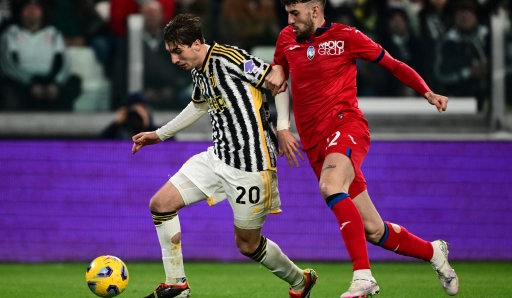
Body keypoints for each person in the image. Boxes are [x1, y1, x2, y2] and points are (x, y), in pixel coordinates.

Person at [266, 1, 459, 297]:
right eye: (288, 13)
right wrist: (282, 124)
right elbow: (279, 76)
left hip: (346, 126)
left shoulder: (347, 36)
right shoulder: (286, 38)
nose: (289, 20)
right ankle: (434, 252)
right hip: (314, 142)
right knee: (372, 229)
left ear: (315, 9)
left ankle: (363, 277)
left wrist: (426, 91)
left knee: (330, 186)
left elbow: (392, 64)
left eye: (295, 13)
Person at [131, 14, 317, 298]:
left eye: (177, 52)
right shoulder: (198, 70)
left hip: (252, 167)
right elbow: (198, 106)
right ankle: (176, 286)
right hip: (217, 158)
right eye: (170, 53)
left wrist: (282, 128)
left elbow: (278, 79)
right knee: (160, 204)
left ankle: (300, 281)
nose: (174, 60)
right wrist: (159, 134)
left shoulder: (230, 58)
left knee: (247, 245)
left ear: (196, 44)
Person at [0, 0, 81, 111]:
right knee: (7, 87)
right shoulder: (11, 33)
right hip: (21, 82)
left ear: (42, 12)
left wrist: (56, 83)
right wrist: (30, 84)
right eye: (28, 8)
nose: (32, 10)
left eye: (36, 8)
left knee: (74, 82)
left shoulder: (54, 33)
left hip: (50, 80)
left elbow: (65, 62)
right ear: (21, 12)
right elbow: (8, 64)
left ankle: (62, 125)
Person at [434, 0, 489, 112]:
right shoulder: (447, 43)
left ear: (476, 16)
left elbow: (509, 65)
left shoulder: (489, 37)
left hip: (492, 96)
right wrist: (469, 72)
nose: (464, 17)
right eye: (459, 13)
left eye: (468, 13)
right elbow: (441, 75)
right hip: (459, 101)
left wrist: (491, 67)